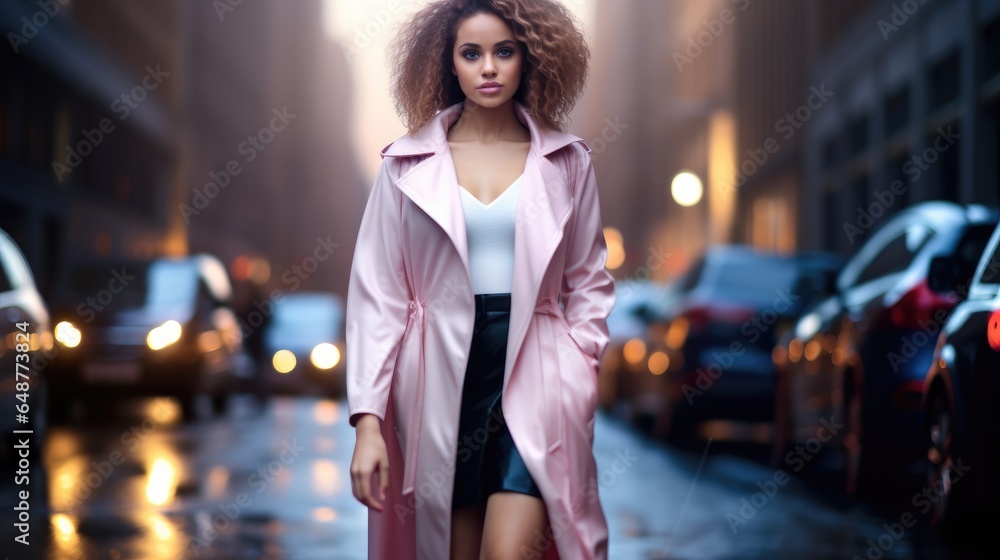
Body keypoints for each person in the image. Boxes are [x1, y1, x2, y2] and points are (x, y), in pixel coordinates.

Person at [345, 0, 615, 558]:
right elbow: (378, 299)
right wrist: (368, 423)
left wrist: (577, 365)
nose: (488, 67)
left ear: (529, 59)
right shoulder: (404, 167)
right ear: (449, 64)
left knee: (509, 551)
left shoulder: (568, 162)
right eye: (472, 53)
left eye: (504, 51)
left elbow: (589, 282)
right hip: (440, 378)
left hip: (536, 369)